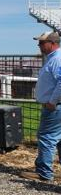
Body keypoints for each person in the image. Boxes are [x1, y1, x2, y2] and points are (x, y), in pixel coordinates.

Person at [20, 31, 61, 182]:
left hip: (55, 107)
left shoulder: (56, 60)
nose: (39, 46)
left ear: (52, 43)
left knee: (46, 137)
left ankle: (44, 172)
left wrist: (52, 101)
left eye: (42, 43)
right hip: (56, 105)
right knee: (58, 138)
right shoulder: (53, 59)